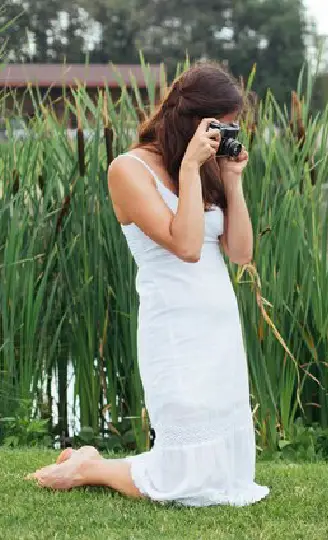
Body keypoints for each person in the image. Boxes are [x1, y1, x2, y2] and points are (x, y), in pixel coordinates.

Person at [27, 61, 270, 507]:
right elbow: (187, 245)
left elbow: (240, 254)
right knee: (185, 481)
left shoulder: (206, 167)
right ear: (197, 121)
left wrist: (232, 181)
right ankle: (89, 467)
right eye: (224, 125)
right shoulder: (129, 169)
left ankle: (92, 463)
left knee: (221, 479)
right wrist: (194, 170)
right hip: (174, 325)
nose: (230, 135)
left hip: (217, 323)